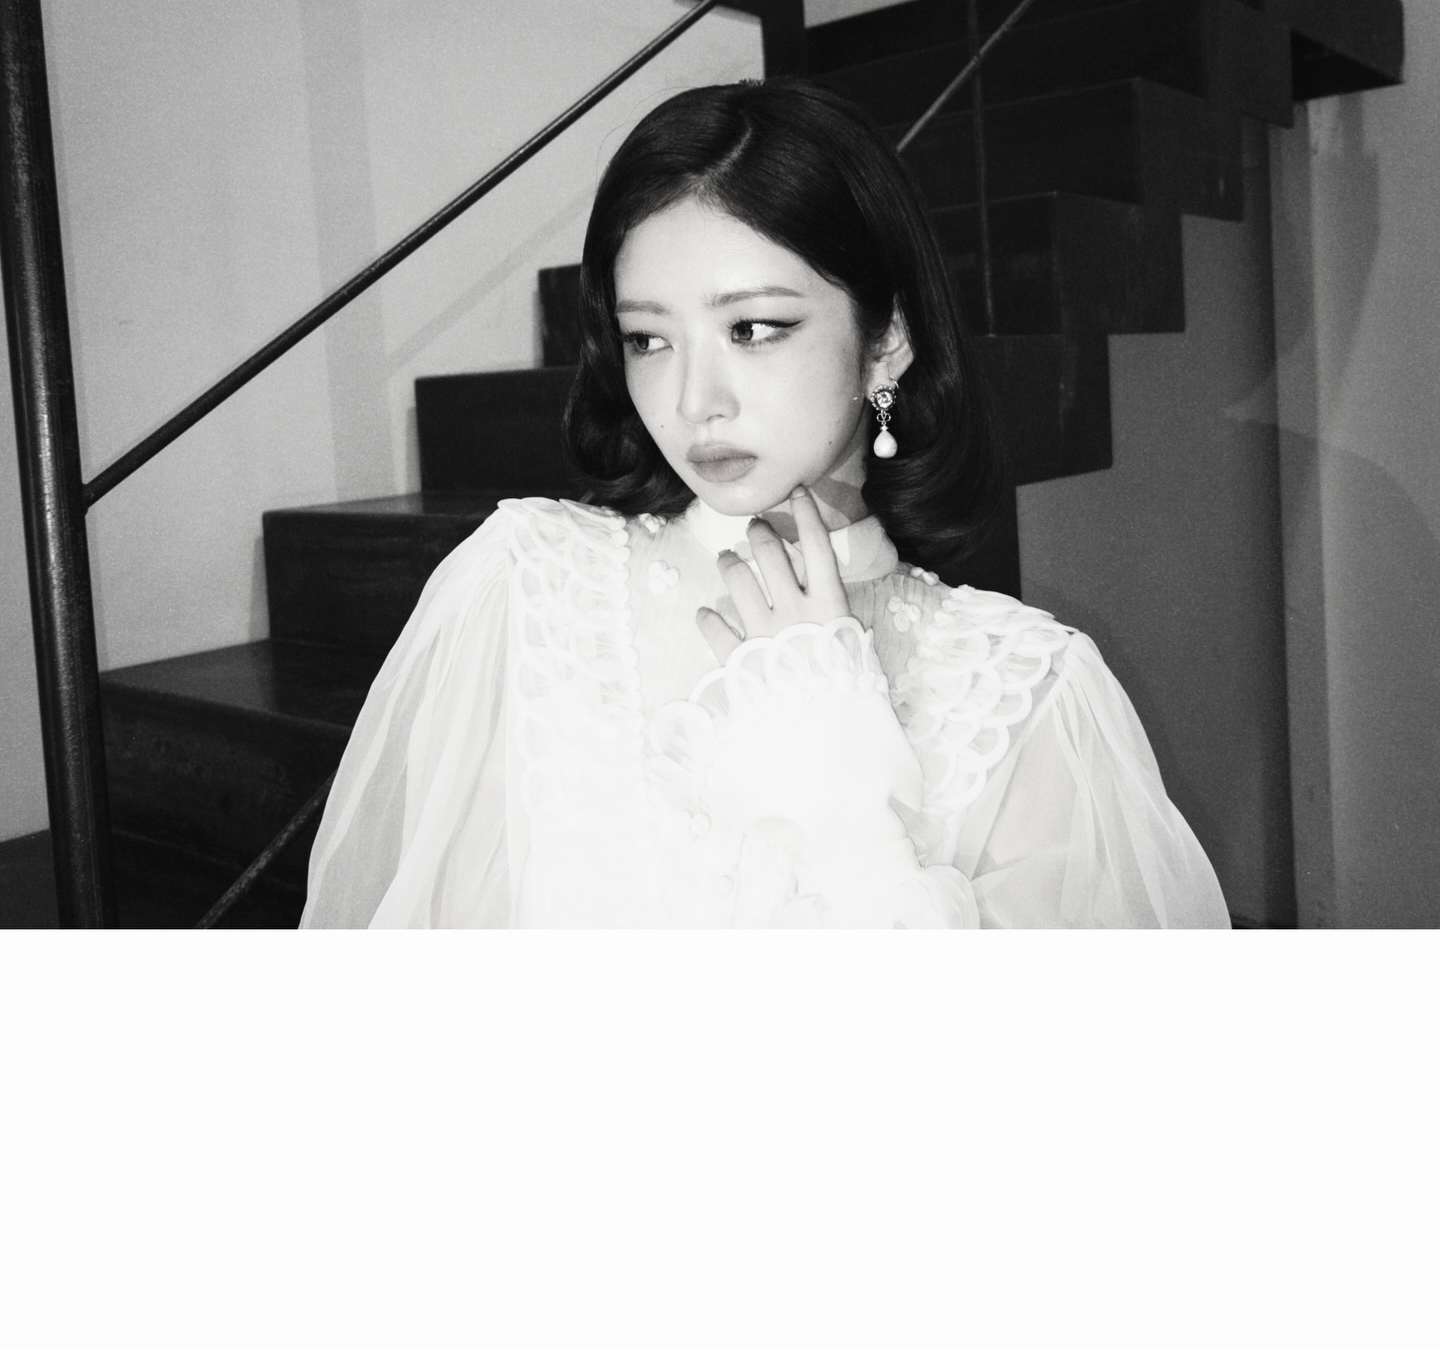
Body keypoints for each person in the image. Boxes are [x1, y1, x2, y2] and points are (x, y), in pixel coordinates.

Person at [300, 79, 1230, 929]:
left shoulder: (1030, 689)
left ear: (887, 340)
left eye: (751, 327)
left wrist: (844, 813)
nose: (693, 399)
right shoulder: (523, 590)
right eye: (648, 339)